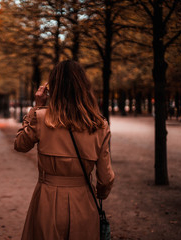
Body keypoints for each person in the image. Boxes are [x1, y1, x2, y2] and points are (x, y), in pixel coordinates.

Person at [14, 60, 115, 240]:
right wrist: (100, 194)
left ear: (54, 87)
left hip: (47, 199)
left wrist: (37, 106)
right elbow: (105, 179)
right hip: (84, 201)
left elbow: (20, 145)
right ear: (84, 87)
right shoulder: (100, 125)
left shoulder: (41, 117)